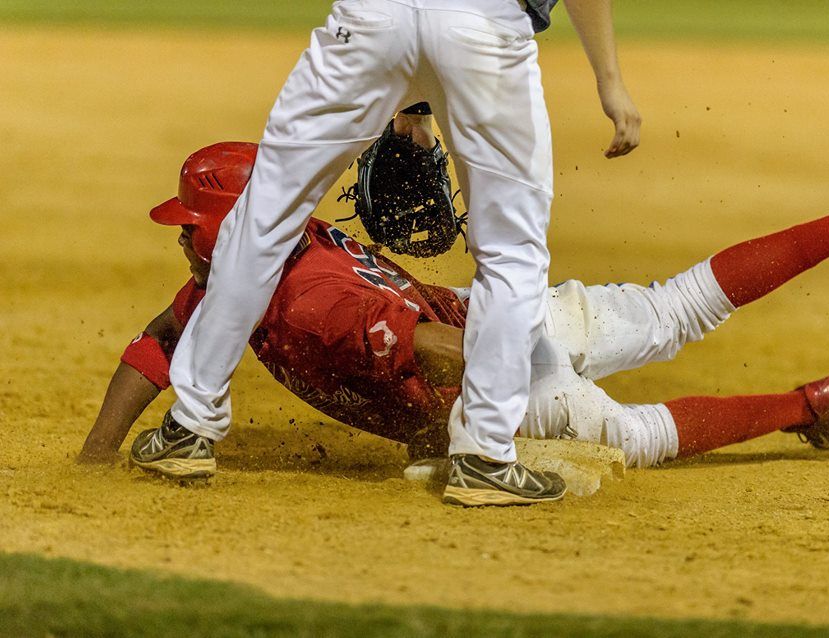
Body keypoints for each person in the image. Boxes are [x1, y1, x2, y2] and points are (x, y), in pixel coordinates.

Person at [81, 141, 829, 498]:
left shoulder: (304, 298)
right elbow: (163, 337)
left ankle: (814, 403)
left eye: (194, 232)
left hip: (481, 369)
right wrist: (94, 455)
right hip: (512, 311)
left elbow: (430, 347)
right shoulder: (269, 251)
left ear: (234, 232)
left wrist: (479, 425)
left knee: (631, 437)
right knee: (677, 304)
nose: (187, 249)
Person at [140, 0, 641, 506]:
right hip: (484, 29)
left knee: (263, 219)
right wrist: (610, 80)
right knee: (511, 252)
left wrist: (414, 106)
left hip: (371, 21)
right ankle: (485, 456)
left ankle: (190, 426)